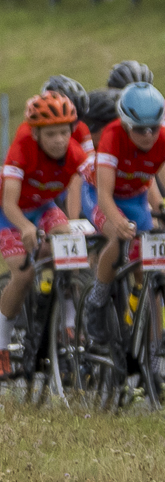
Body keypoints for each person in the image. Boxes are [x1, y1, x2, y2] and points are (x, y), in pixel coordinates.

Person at [86, 82, 165, 317]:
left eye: (154, 128)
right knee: (118, 240)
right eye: (140, 129)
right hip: (101, 196)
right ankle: (96, 301)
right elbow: (104, 195)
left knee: (146, 264)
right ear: (127, 124)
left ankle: (145, 337)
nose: (148, 135)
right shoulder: (112, 136)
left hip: (136, 198)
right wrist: (118, 222)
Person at [0, 91, 87, 362]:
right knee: (24, 275)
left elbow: (96, 188)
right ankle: (1, 345)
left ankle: (69, 326)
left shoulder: (75, 154)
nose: (60, 140)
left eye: (64, 132)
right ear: (36, 134)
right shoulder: (22, 148)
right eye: (50, 134)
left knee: (70, 248)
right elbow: (9, 203)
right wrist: (25, 227)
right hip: (10, 213)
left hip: (44, 207)